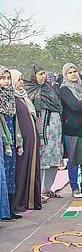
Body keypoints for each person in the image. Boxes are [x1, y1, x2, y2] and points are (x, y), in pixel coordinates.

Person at [24, 65, 63, 201]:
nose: (43, 76)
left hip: (54, 132)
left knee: (53, 160)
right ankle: (38, 191)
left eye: (44, 73)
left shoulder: (49, 89)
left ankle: (48, 189)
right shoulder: (29, 90)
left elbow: (58, 106)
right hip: (41, 132)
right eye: (40, 74)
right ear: (33, 76)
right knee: (40, 160)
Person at [58, 63, 82, 198]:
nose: (73, 74)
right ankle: (75, 188)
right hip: (72, 130)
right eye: (70, 72)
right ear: (65, 75)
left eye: (75, 71)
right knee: (74, 160)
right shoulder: (64, 89)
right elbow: (75, 106)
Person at [11, 69, 42, 211]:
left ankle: (32, 201)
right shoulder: (11, 98)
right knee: (21, 170)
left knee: (32, 168)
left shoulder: (25, 98)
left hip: (31, 141)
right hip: (20, 142)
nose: (21, 82)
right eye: (18, 80)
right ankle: (20, 202)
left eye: (22, 79)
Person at [0, 67, 22, 219]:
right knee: (4, 173)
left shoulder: (10, 95)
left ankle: (9, 209)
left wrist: (18, 141)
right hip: (3, 138)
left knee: (10, 173)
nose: (7, 81)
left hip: (12, 137)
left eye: (8, 78)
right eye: (3, 78)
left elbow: (15, 121)